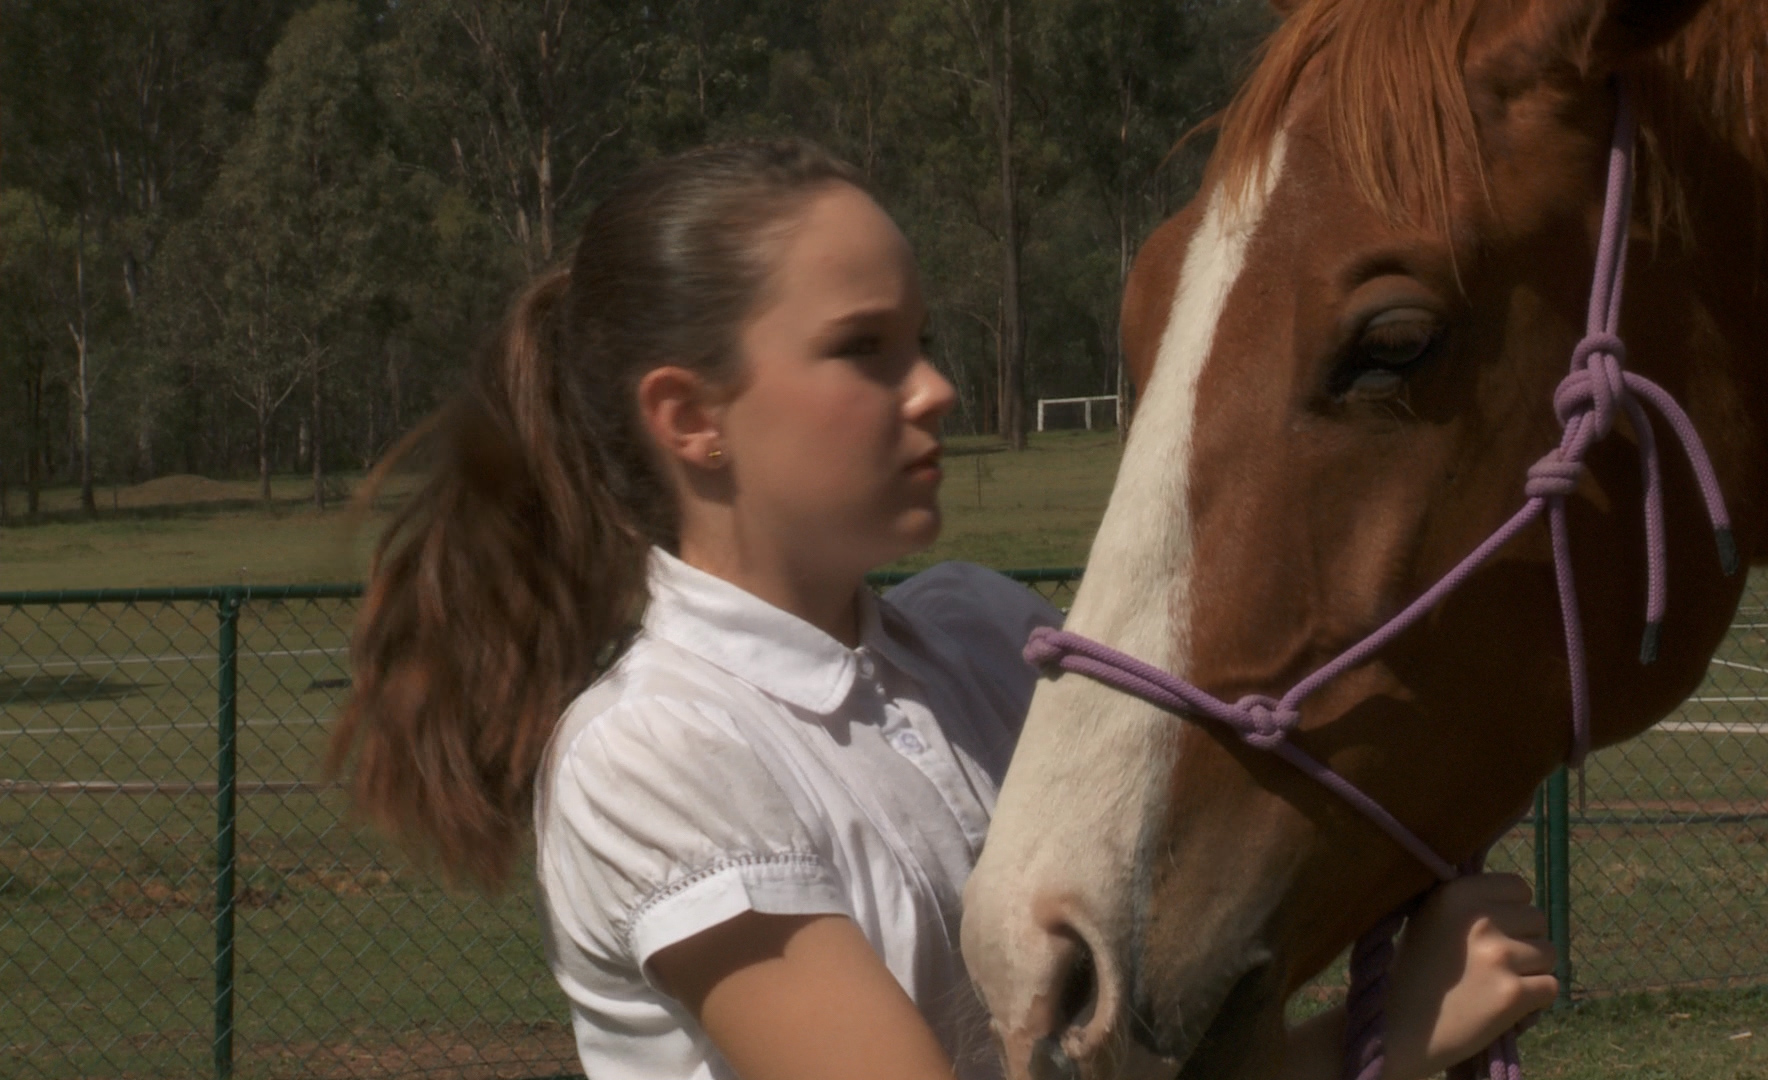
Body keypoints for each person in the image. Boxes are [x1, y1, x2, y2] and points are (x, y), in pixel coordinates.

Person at [330, 139, 1558, 1080]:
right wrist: (1383, 1040)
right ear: (689, 418)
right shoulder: (658, 752)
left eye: (923, 338)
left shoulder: (982, 634)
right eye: (863, 350)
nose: (935, 390)